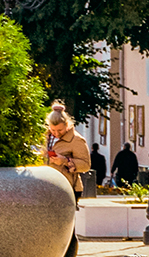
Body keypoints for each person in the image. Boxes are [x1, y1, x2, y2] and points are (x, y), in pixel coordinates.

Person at [43, 108, 89, 257]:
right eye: (53, 129)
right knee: (50, 225)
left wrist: (65, 161)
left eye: (60, 130)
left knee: (67, 227)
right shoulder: (46, 137)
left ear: (67, 125)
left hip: (68, 186)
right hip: (47, 184)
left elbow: (86, 164)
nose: (56, 133)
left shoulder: (76, 140)